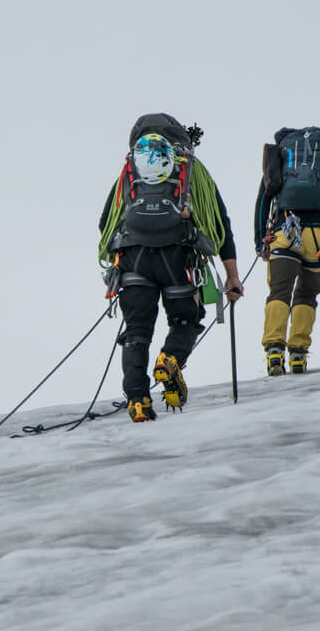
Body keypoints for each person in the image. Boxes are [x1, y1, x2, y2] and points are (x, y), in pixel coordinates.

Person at [98, 113, 243, 422]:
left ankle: (138, 401)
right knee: (185, 320)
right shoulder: (192, 171)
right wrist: (232, 276)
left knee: (137, 331)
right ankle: (170, 358)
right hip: (179, 258)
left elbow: (105, 222)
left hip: (134, 259)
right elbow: (220, 224)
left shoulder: (130, 171)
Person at [253, 126, 320, 375]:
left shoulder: (281, 161)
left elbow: (263, 200)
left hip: (284, 231)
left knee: (279, 291)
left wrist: (259, 241)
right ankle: (298, 353)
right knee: (307, 295)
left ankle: (274, 350)